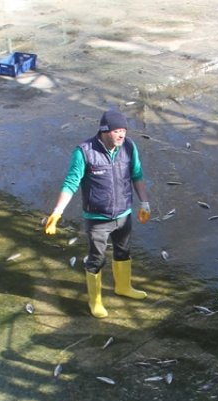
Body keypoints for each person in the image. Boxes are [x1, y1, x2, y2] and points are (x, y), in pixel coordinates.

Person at [43, 109, 152, 318]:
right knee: (96, 259)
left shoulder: (128, 146)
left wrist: (144, 202)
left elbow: (137, 174)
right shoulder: (84, 151)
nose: (121, 135)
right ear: (104, 130)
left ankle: (123, 287)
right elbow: (71, 182)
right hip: (97, 219)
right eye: (117, 131)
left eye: (124, 131)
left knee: (123, 252)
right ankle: (95, 301)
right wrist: (57, 212)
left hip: (124, 214)